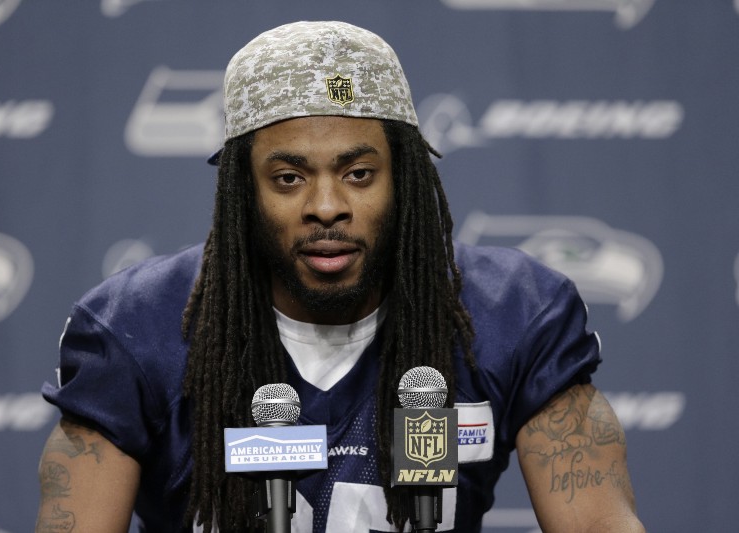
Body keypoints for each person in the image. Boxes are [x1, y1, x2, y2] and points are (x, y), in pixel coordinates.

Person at [35, 21, 645, 533]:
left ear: (402, 179)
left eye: (357, 173)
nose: (326, 206)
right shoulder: (135, 329)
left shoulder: (514, 314)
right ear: (242, 193)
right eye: (289, 178)